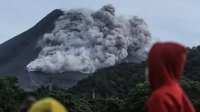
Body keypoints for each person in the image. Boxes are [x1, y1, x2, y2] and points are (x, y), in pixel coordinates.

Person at [146, 42, 196, 112]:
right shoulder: (178, 93)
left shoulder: (160, 98)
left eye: (150, 64)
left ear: (157, 66)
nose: (148, 69)